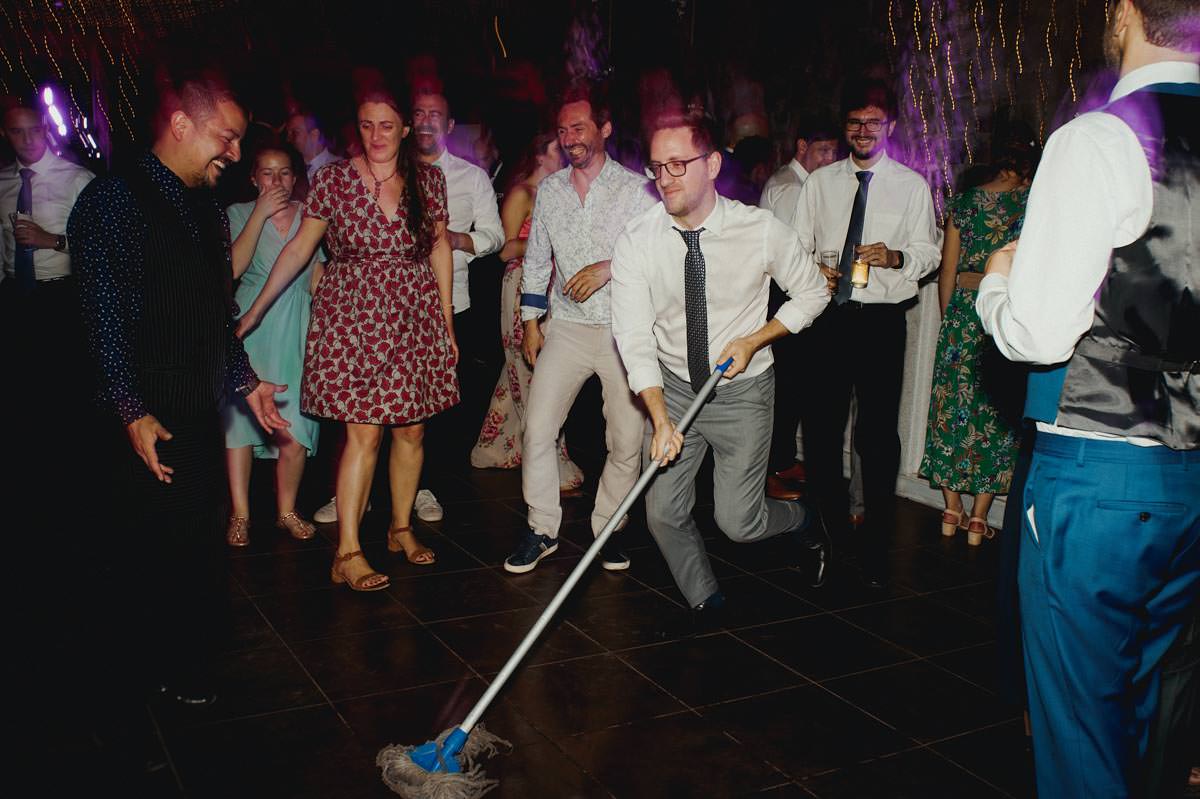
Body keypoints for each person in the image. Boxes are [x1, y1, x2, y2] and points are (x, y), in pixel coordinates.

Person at [976, 1, 1199, 795]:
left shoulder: (1100, 139)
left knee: (1079, 736)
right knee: (1132, 707)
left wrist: (996, 284)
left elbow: (1038, 333)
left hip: (1096, 475)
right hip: (1190, 483)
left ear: (1125, 14)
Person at [68, 70, 288, 702]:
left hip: (196, 405)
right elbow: (101, 314)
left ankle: (185, 663)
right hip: (142, 410)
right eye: (227, 137)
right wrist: (129, 408)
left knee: (194, 536)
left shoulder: (205, 207)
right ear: (182, 124)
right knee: (144, 544)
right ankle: (141, 675)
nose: (236, 154)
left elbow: (214, 311)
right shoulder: (112, 200)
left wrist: (245, 381)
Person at [611, 113, 830, 620]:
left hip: (742, 392)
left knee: (739, 523)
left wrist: (755, 339)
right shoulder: (637, 239)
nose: (664, 178)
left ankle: (802, 521)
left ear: (711, 164)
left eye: (677, 164)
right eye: (657, 167)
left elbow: (814, 292)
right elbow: (633, 336)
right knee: (662, 512)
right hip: (674, 388)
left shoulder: (760, 230)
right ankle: (705, 599)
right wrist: (659, 419)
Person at [238, 83, 457, 589]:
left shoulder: (428, 179)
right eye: (366, 125)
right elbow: (299, 249)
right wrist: (254, 311)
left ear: (406, 128)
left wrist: (446, 322)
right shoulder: (333, 180)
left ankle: (400, 528)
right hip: (354, 318)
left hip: (414, 314)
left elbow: (439, 248)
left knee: (412, 430)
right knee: (365, 433)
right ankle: (349, 551)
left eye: (387, 125)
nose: (376, 135)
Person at [791, 77, 941, 588]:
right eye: (854, 122)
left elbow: (929, 251)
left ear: (890, 126)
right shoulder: (820, 183)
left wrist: (895, 257)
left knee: (877, 438)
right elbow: (795, 247)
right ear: (844, 126)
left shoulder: (911, 186)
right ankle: (829, 540)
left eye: (873, 122)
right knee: (822, 433)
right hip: (828, 319)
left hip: (881, 321)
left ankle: (876, 548)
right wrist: (813, 269)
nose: (862, 131)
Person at [502, 83, 655, 575]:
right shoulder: (550, 190)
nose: (569, 138)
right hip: (566, 325)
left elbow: (659, 254)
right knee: (538, 428)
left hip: (622, 331)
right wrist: (531, 323)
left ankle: (608, 528)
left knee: (626, 440)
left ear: (604, 129)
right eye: (563, 129)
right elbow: (536, 261)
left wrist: (610, 267)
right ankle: (542, 528)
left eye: (579, 127)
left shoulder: (638, 190)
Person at [920, 136, 1036, 545]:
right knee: (995, 412)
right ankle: (979, 518)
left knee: (950, 409)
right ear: (1025, 167)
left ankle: (951, 508)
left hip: (961, 315)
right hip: (1001, 312)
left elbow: (947, 272)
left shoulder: (965, 203)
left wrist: (951, 320)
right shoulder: (1030, 204)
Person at [469, 131, 584, 491]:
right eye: (557, 151)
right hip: (521, 284)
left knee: (521, 369)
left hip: (553, 285)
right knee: (533, 369)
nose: (564, 157)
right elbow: (504, 249)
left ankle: (493, 449)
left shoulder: (561, 192)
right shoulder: (522, 193)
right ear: (540, 155)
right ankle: (550, 459)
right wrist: (546, 243)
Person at [222, 143, 323, 547]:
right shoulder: (237, 213)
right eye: (267, 172)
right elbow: (232, 268)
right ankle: (240, 514)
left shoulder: (312, 215)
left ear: (295, 177)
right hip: (250, 325)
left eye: (284, 172)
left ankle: (287, 510)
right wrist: (260, 213)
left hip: (297, 324)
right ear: (253, 178)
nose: (277, 180)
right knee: (239, 426)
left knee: (296, 424)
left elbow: (316, 274)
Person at [0, 102, 95, 517]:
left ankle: (71, 491)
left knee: (64, 395)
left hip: (61, 297)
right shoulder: (3, 181)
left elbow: (100, 244)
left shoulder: (77, 179)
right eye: (16, 132)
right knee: (21, 396)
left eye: (34, 130)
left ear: (45, 128)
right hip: (15, 297)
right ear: (5, 134)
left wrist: (51, 240)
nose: (27, 140)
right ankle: (31, 491)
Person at [759, 119, 839, 225]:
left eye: (835, 152)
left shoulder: (792, 178)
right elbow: (790, 234)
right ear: (802, 146)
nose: (831, 159)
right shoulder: (792, 188)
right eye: (824, 151)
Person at [285, 110, 339, 181]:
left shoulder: (338, 168)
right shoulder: (292, 170)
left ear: (314, 135)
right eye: (288, 134)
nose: (288, 139)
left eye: (295, 133)